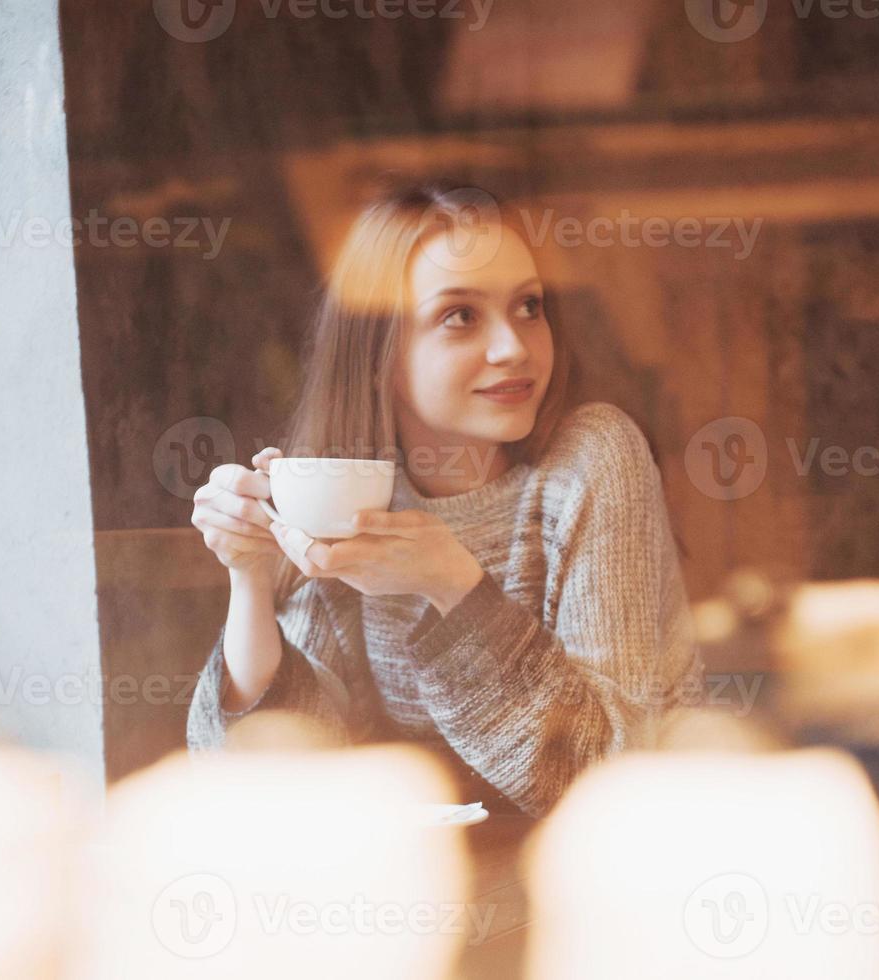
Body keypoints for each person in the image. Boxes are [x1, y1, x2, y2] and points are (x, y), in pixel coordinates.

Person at [185, 180, 703, 817]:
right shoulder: (353, 488)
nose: (513, 347)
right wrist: (250, 579)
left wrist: (452, 583)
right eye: (461, 316)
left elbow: (614, 785)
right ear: (378, 351)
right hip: (425, 891)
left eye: (529, 307)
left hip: (608, 882)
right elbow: (258, 777)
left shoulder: (591, 458)